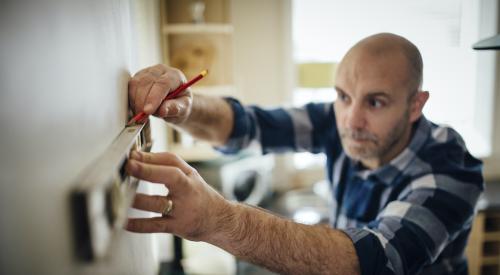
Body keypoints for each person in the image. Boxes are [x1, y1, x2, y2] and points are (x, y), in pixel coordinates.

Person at [125, 33, 484, 275]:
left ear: (415, 105)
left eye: (376, 102)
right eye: (343, 96)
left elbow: (375, 260)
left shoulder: (450, 169)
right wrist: (186, 106)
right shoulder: (339, 119)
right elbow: (246, 125)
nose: (351, 120)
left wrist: (219, 220)